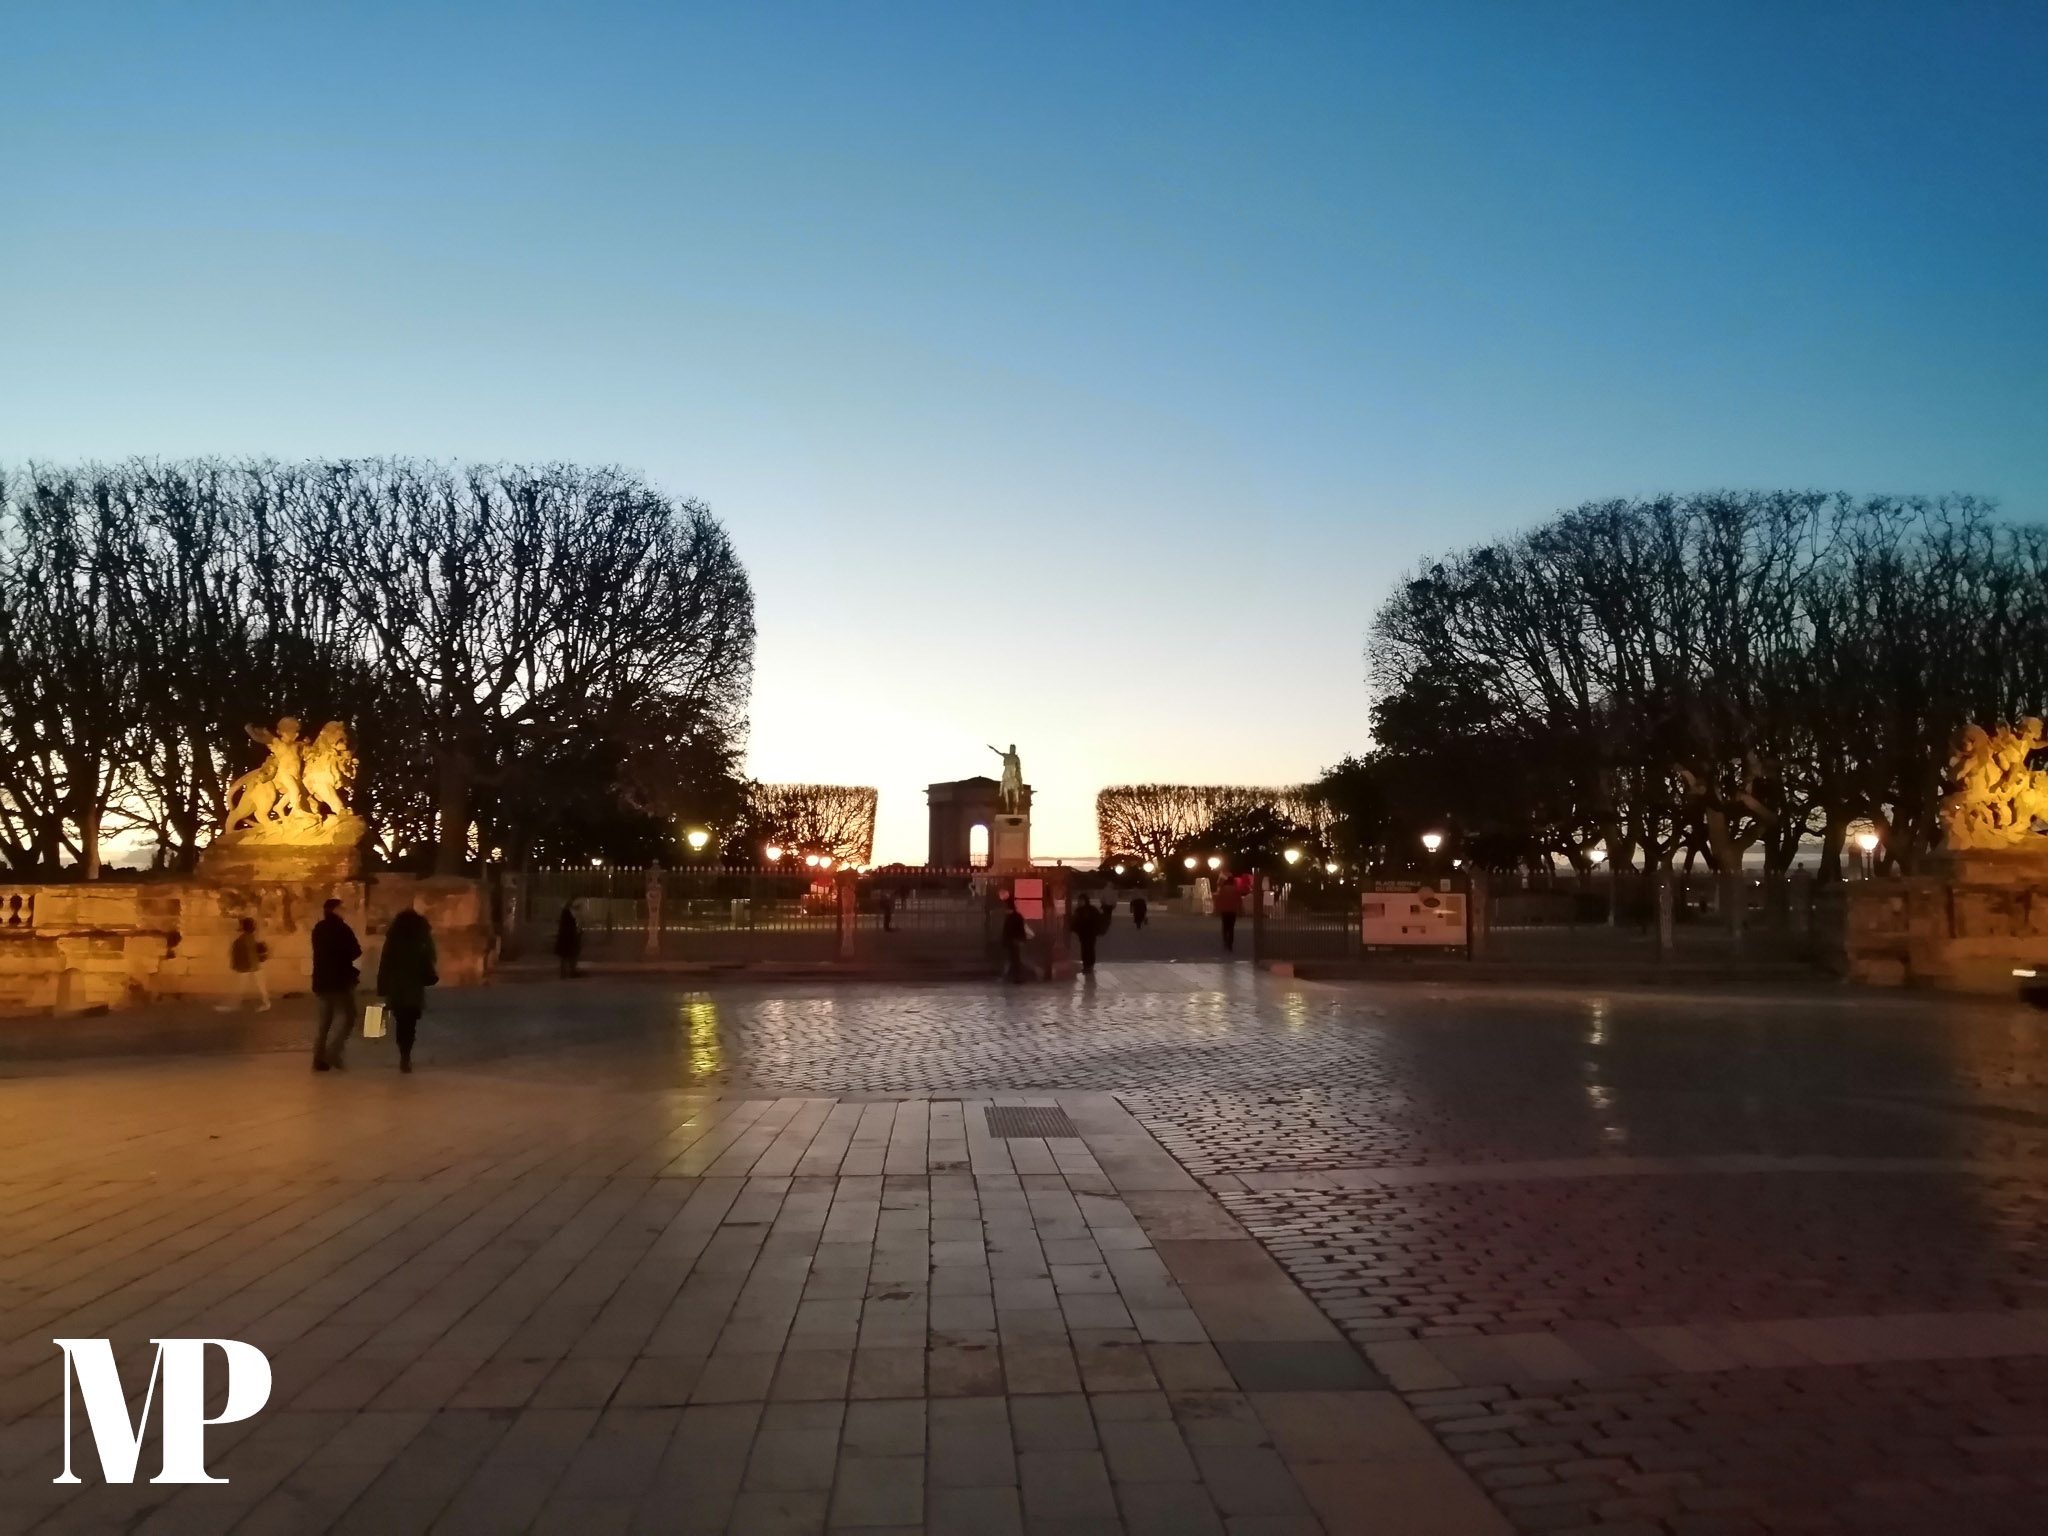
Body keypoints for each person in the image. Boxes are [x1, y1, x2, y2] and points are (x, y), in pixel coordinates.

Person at [375, 906, 439, 1074]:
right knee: (410, 1024)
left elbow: (385, 963)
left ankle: (403, 1052)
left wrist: (382, 987)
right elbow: (427, 960)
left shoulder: (393, 938)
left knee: (401, 1022)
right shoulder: (420, 938)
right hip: (413, 988)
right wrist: (430, 977)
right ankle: (406, 1056)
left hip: (396, 988)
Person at [310, 898, 362, 1071]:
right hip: (340, 980)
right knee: (349, 1016)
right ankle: (333, 1051)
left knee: (325, 1021)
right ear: (335, 910)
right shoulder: (343, 929)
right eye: (342, 908)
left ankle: (318, 1058)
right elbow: (356, 951)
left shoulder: (318, 929)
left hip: (321, 980)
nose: (344, 911)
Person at [219, 917, 270, 1012]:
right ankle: (266, 1003)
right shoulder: (249, 937)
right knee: (259, 986)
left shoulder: (244, 939)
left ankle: (233, 1005)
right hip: (253, 966)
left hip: (248, 967)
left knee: (239, 987)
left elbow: (242, 953)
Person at [1068, 892, 1106, 975]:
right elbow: (1075, 922)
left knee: (1090, 949)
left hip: (1090, 934)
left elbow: (1097, 920)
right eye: (1079, 900)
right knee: (1085, 950)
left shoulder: (1091, 910)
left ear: (1085, 901)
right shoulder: (1079, 910)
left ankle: (1090, 966)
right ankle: (1086, 966)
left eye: (1081, 900)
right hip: (1084, 934)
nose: (1080, 902)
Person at [1000, 896, 1030, 982]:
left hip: (1013, 942)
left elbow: (1009, 931)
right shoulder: (1015, 916)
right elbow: (1021, 929)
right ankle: (1015, 977)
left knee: (1014, 959)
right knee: (1014, 959)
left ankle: (1014, 977)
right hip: (1014, 942)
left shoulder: (1011, 917)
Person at [1212, 874, 1243, 952]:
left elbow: (1218, 900)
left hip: (1224, 911)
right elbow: (1239, 901)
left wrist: (1216, 910)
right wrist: (1241, 911)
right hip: (1232, 911)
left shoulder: (1222, 890)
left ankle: (1225, 941)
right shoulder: (1236, 890)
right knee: (1231, 928)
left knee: (1225, 927)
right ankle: (1230, 944)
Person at [555, 903, 582, 979]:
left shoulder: (565, 916)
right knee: (570, 956)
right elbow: (572, 928)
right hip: (568, 940)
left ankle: (564, 973)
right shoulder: (568, 917)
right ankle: (570, 972)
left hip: (565, 940)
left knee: (564, 958)